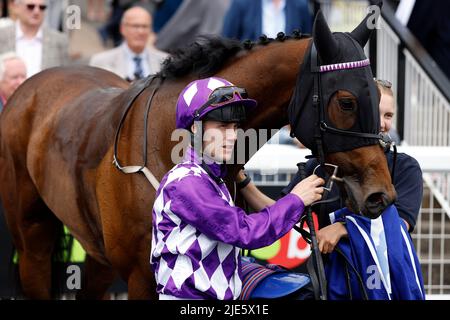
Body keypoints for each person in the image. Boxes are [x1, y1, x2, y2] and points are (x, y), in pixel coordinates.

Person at [150, 76, 325, 300]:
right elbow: (244, 232)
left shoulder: (212, 178)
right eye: (222, 127)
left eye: (234, 127)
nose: (232, 136)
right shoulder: (187, 181)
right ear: (195, 127)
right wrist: (296, 199)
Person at [90, 5, 168, 81]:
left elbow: (178, 94)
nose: (140, 32)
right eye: (135, 26)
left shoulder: (166, 62)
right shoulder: (101, 62)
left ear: (151, 29)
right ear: (122, 29)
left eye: (145, 26)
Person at [0, 0, 69, 78]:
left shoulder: (59, 40)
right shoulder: (2, 36)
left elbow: (64, 77)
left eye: (42, 7)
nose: (36, 11)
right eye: (30, 6)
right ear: (17, 7)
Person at [222, 0, 313, 41]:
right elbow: (226, 40)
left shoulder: (300, 5)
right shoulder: (241, 3)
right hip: (250, 72)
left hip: (288, 73)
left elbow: (306, 41)